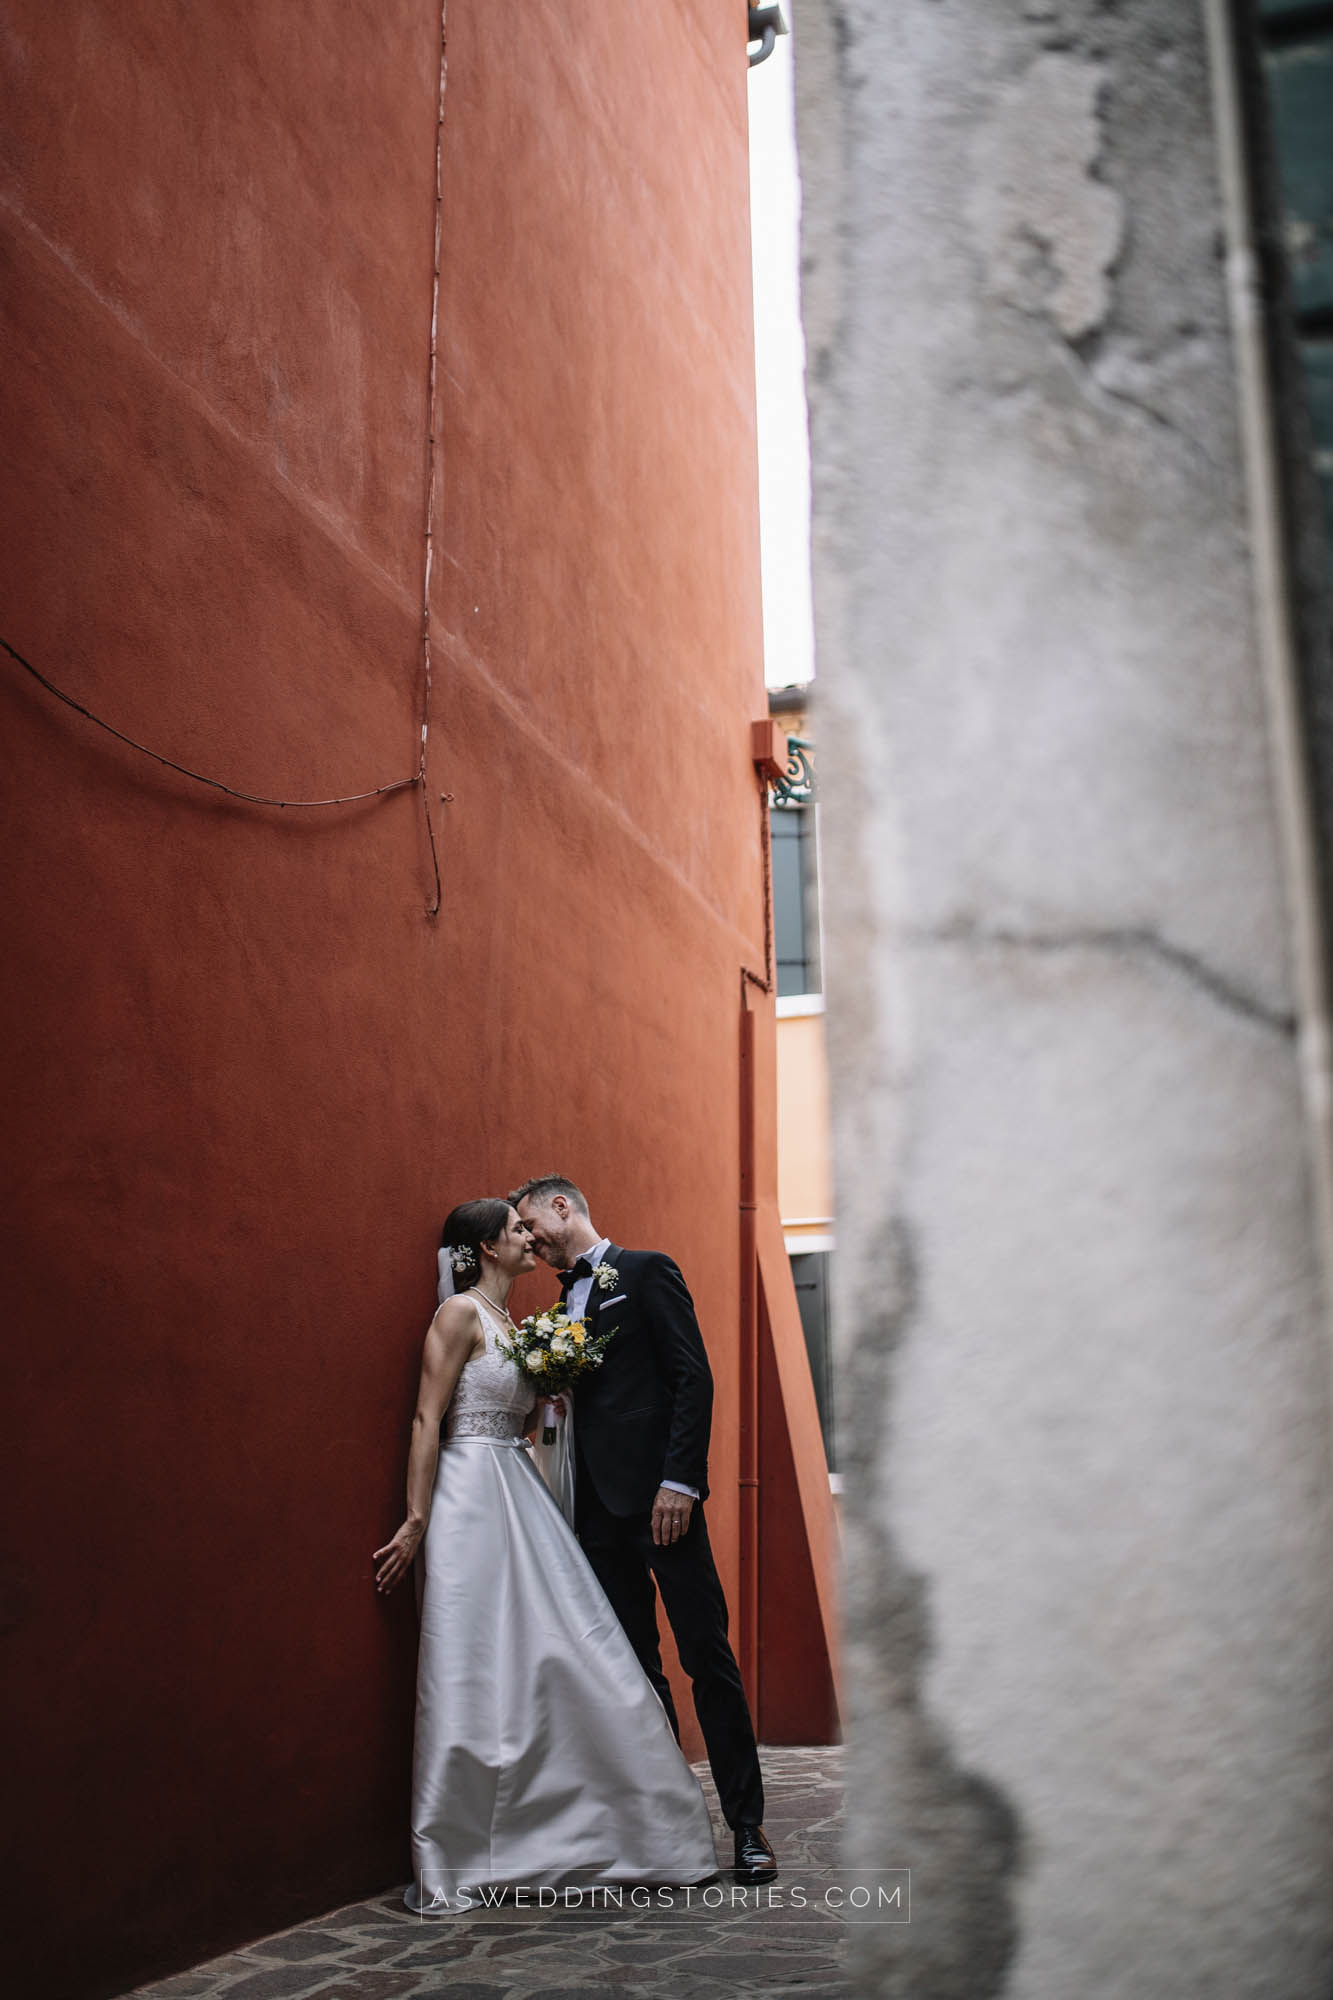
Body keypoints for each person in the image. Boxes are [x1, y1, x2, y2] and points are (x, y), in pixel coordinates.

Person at [373, 1198, 718, 1913]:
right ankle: (468, 1841)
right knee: (477, 1656)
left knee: (570, 1648)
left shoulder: (515, 1327)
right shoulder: (458, 1315)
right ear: (486, 1248)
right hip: (469, 1496)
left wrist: (550, 1390)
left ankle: (596, 1824)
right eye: (515, 1230)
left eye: (529, 1227)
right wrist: (415, 1518)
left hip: (520, 1489)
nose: (529, 1238)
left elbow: (525, 1421)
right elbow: (425, 1419)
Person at [510, 1174, 777, 1883]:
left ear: (563, 1205)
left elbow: (694, 1378)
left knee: (705, 1659)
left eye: (531, 1222)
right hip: (595, 1512)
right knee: (633, 1669)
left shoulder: (646, 1270)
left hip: (663, 1506)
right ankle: (671, 1822)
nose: (528, 1237)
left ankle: (746, 1826)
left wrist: (680, 1482)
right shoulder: (558, 1303)